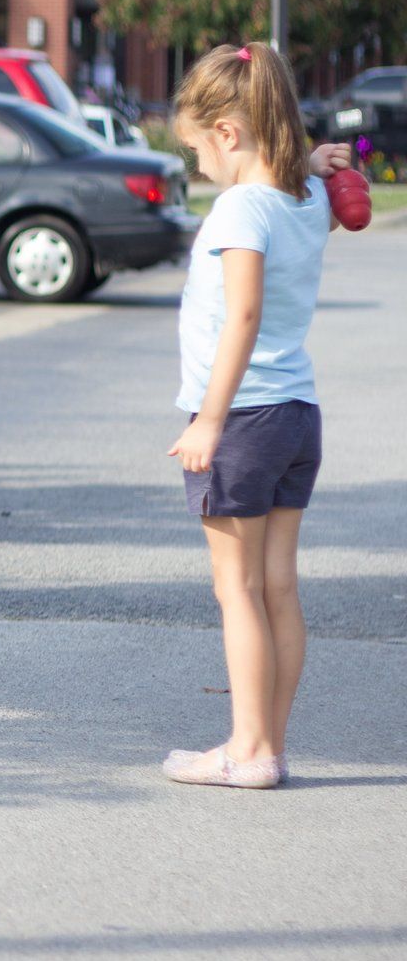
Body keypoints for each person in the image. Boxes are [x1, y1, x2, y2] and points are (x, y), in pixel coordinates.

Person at [162, 41, 354, 789]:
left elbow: (241, 315)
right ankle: (267, 747)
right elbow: (294, 190)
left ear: (230, 134)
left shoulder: (242, 205)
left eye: (197, 150)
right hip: (296, 415)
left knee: (235, 589)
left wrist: (208, 419)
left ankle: (245, 749)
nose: (197, 167)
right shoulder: (302, 200)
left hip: (241, 418)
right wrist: (311, 168)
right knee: (278, 587)